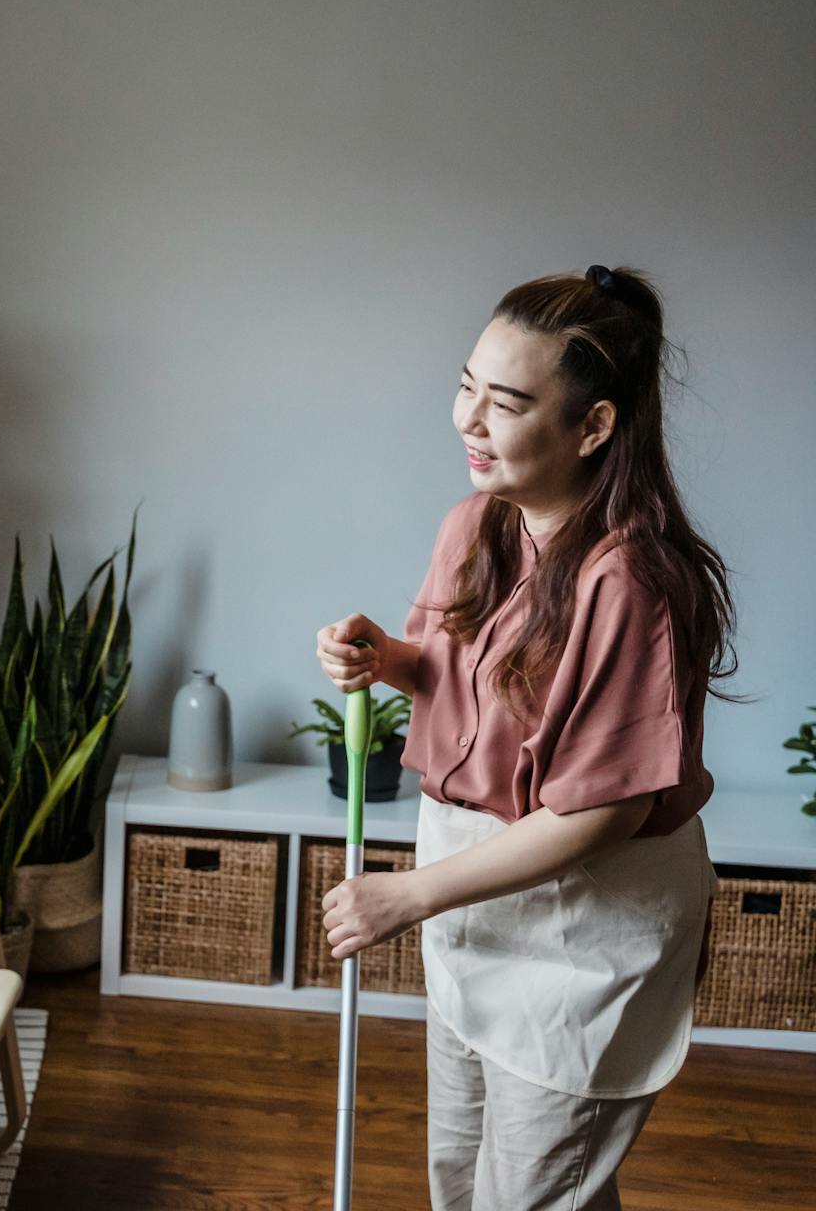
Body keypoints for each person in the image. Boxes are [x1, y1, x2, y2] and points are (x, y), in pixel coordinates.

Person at [314, 266, 733, 1210]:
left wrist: (409, 895)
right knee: (464, 1185)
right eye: (466, 385)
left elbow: (605, 810)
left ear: (593, 427)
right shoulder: (476, 525)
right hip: (476, 906)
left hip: (582, 928)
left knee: (535, 1193)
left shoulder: (632, 582)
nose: (468, 418)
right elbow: (481, 683)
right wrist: (390, 659)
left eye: (504, 403)